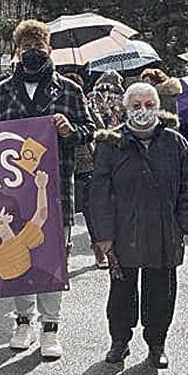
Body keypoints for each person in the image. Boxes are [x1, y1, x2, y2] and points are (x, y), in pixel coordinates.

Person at [0, 19, 96, 360]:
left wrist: (70, 128)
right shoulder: (0, 93)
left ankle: (51, 327)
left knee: (51, 261)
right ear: (16, 52)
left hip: (56, 189)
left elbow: (90, 129)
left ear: (49, 50)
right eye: (26, 48)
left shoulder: (69, 90)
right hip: (13, 196)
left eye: (39, 47)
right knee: (18, 260)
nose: (33, 53)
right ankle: (23, 321)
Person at [90, 82, 188, 369]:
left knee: (161, 292)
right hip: (124, 232)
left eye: (149, 105)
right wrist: (103, 236)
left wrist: (181, 225)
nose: (142, 111)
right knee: (121, 293)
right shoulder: (111, 145)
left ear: (158, 107)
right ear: (126, 109)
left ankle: (157, 344)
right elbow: (99, 193)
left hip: (164, 231)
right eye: (135, 105)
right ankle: (119, 341)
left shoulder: (175, 143)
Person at [64, 73, 108, 269]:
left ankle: (99, 249)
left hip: (86, 163)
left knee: (91, 210)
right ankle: (65, 251)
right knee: (66, 212)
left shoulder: (86, 109)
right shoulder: (55, 109)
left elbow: (98, 129)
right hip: (63, 166)